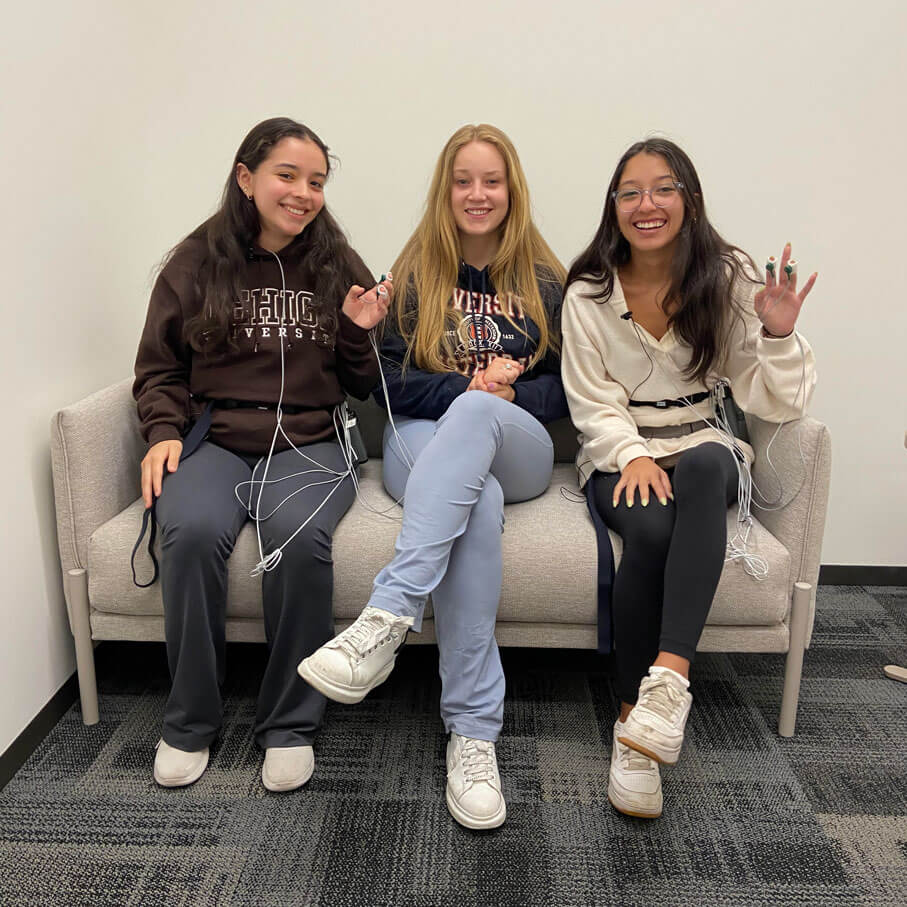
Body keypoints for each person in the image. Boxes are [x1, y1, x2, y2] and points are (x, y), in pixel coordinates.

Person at [299, 124, 568, 829]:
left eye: (491, 180)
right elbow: (385, 384)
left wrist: (504, 395)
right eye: (463, 180)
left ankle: (387, 614)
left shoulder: (545, 278)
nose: (477, 194)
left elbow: (572, 389)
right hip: (427, 437)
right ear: (444, 190)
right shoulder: (413, 273)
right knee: (469, 503)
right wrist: (463, 389)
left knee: (480, 415)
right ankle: (474, 733)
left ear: (511, 190)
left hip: (517, 443)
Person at [560, 138, 818, 819]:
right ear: (612, 206)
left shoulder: (724, 279)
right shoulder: (587, 293)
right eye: (629, 192)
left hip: (699, 438)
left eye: (662, 189)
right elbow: (591, 401)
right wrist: (631, 452)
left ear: (689, 200)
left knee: (708, 461)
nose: (645, 204)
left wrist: (779, 337)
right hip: (620, 449)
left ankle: (667, 684)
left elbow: (773, 403)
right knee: (647, 529)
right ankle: (632, 733)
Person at [133, 117, 390, 792]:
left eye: (316, 182)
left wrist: (360, 336)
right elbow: (158, 369)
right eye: (287, 176)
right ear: (246, 178)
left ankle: (288, 723)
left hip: (309, 440)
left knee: (299, 542)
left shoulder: (338, 265)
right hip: (218, 438)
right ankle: (190, 720)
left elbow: (364, 384)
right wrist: (163, 431)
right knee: (186, 533)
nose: (304, 193)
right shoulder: (193, 262)